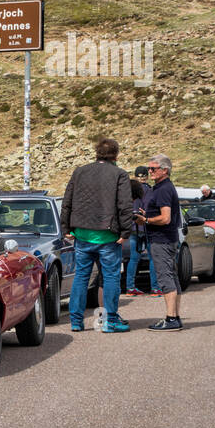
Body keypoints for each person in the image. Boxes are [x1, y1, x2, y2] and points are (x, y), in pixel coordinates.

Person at [61, 138, 133, 332]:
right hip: (108, 236)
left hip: (82, 235)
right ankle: (109, 321)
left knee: (81, 277)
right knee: (110, 278)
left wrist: (65, 227)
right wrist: (126, 231)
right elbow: (125, 205)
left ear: (97, 153)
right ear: (116, 155)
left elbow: (67, 200)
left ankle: (76, 321)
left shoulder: (80, 172)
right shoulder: (120, 174)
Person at [135, 154, 183, 330]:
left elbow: (165, 218)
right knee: (172, 276)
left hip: (162, 240)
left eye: (153, 169)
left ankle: (171, 319)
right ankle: (175, 316)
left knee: (165, 277)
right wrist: (146, 214)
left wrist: (145, 221)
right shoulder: (163, 188)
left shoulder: (163, 189)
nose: (150, 171)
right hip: (166, 239)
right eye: (149, 168)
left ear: (165, 170)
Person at [125, 166, 150, 296]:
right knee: (152, 258)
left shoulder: (128, 189)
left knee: (133, 259)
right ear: (147, 176)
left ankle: (130, 287)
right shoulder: (148, 190)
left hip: (131, 227)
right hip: (145, 226)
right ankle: (156, 288)